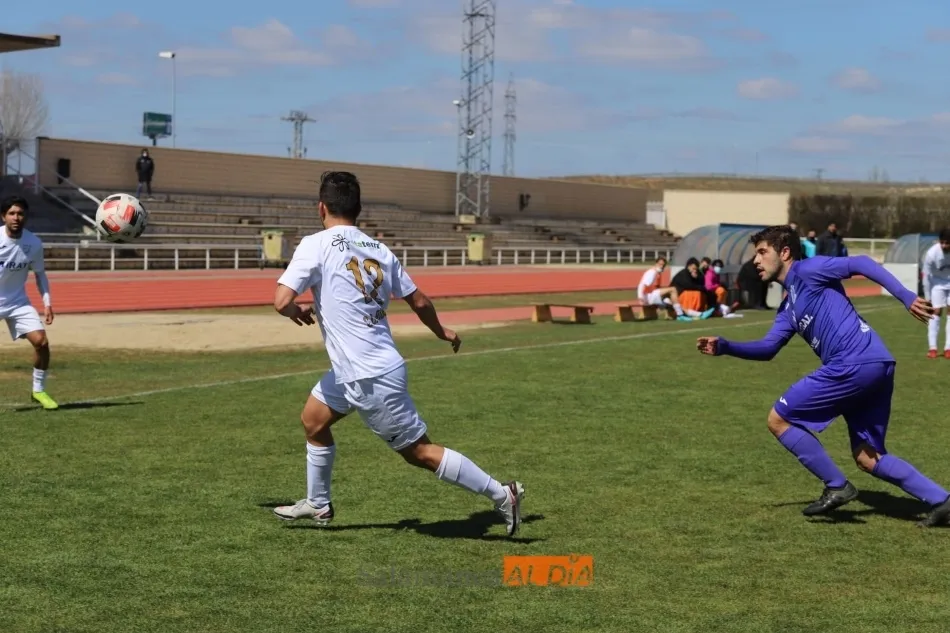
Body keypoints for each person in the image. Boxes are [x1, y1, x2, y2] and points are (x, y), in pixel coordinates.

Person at [270, 171, 525, 536]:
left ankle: (502, 494)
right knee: (313, 421)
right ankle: (318, 502)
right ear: (358, 209)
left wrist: (295, 311)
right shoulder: (378, 249)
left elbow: (281, 301)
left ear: (321, 207)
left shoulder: (315, 244)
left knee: (419, 452)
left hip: (370, 375)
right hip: (357, 370)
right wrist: (441, 330)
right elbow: (418, 300)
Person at [696, 225, 950, 527]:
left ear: (785, 252)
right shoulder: (788, 307)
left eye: (762, 252)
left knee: (778, 419)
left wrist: (906, 296)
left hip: (852, 363)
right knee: (868, 457)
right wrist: (726, 346)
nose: (756, 260)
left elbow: (862, 263)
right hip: (877, 364)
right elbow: (768, 348)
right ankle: (943, 501)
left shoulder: (808, 270)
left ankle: (837, 486)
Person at [0, 196, 58, 410]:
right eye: (11, 213)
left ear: (26, 217)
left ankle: (38, 390)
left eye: (20, 213)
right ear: (3, 217)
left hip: (18, 302)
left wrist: (47, 303)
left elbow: (40, 274)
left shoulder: (33, 243)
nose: (16, 217)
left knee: (41, 342)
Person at [922, 228, 950, 359]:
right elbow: (926, 276)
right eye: (942, 242)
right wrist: (927, 298)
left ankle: (948, 348)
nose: (944, 245)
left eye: (947, 243)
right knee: (936, 312)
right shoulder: (931, 254)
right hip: (937, 283)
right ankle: (932, 348)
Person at [637, 256, 692, 322]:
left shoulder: (657, 273)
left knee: (671, 301)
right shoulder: (652, 272)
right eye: (660, 264)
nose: (662, 266)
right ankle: (680, 315)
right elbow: (642, 285)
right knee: (673, 289)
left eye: (663, 265)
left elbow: (654, 287)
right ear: (656, 263)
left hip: (651, 296)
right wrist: (640, 298)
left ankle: (693, 314)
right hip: (648, 297)